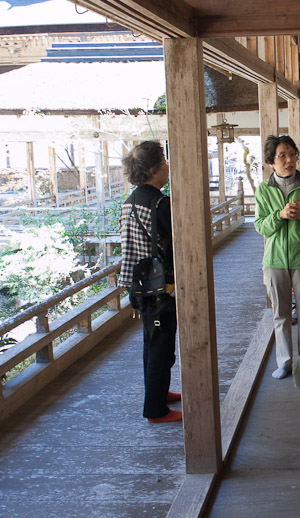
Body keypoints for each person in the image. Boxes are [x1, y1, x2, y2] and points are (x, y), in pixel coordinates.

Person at [255, 135, 300, 379]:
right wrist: (280, 216)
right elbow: (261, 226)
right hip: (274, 262)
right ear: (271, 162)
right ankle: (284, 362)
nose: (289, 160)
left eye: (292, 154)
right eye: (282, 156)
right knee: (281, 315)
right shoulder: (264, 190)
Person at [118, 141, 181, 423]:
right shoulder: (159, 203)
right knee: (161, 345)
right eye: (164, 162)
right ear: (155, 170)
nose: (168, 166)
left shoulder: (129, 202)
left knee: (150, 341)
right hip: (160, 285)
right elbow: (177, 240)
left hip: (137, 284)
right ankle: (155, 410)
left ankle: (157, 393)